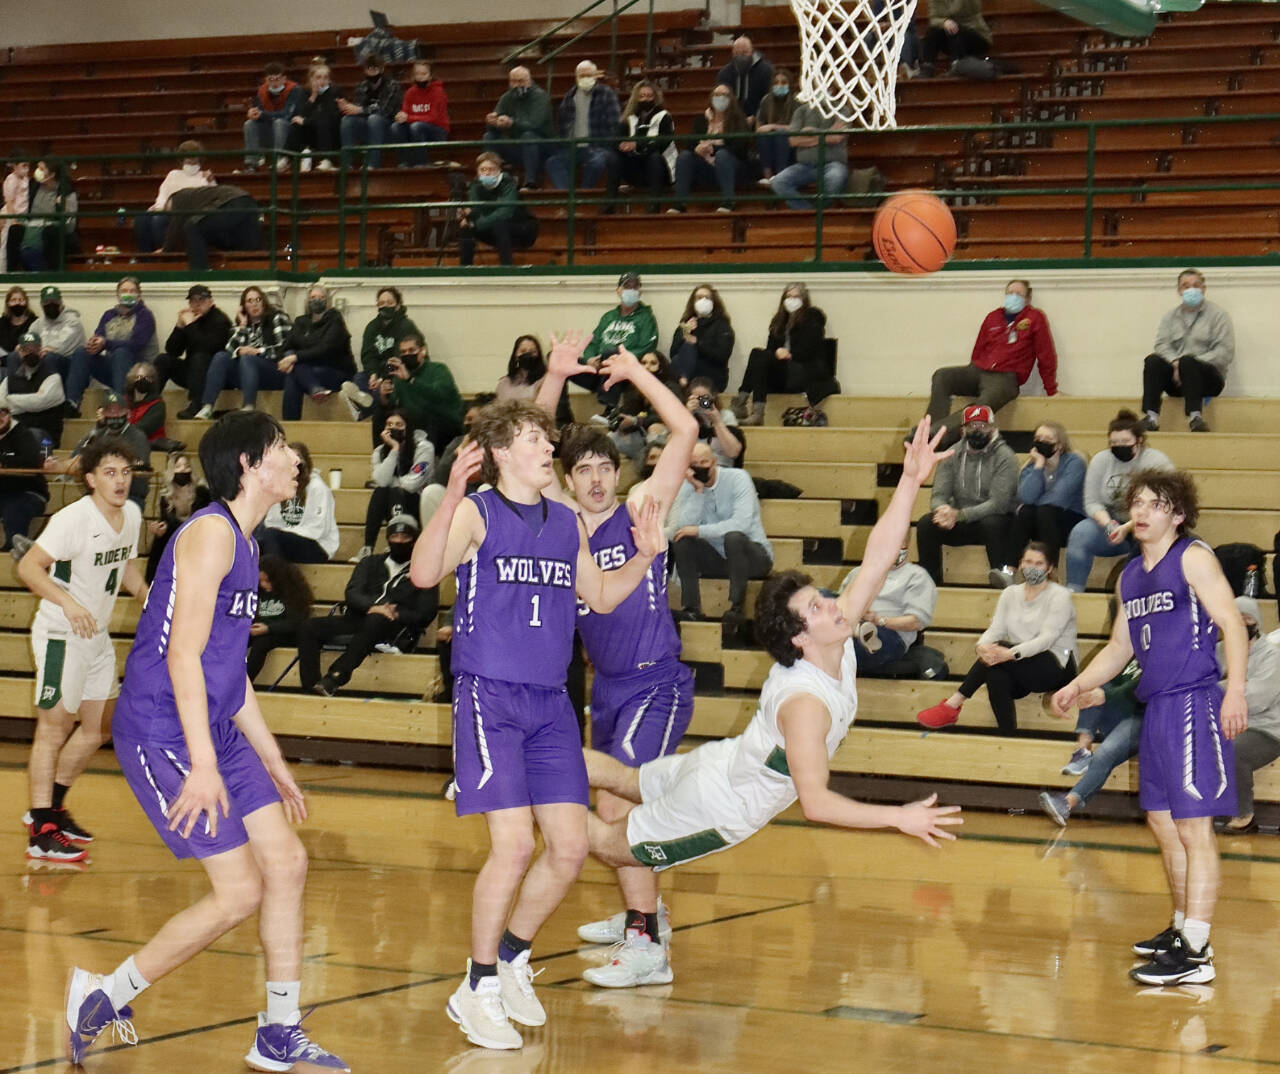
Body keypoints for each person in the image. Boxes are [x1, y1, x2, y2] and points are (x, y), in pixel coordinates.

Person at [581, 421, 960, 916]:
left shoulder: (833, 637)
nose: (833, 606)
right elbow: (817, 804)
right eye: (818, 607)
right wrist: (898, 818)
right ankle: (524, 788)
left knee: (628, 782)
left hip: (719, 764)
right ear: (800, 637)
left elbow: (878, 557)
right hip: (720, 807)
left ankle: (523, 760)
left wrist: (912, 481)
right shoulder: (804, 705)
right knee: (610, 843)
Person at [66, 411, 348, 1070]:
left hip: (210, 722)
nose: (293, 458)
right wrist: (201, 764)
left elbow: (228, 676)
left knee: (287, 863)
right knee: (239, 893)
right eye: (281, 448)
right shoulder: (212, 538)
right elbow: (184, 658)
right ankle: (104, 996)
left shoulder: (247, 545)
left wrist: (274, 763)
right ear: (250, 464)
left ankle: (278, 1029)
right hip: (162, 726)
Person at [409, 352, 665, 1051]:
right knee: (515, 844)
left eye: (548, 441)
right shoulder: (477, 512)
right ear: (499, 454)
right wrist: (451, 495)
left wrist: (644, 554)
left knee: (572, 845)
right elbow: (424, 572)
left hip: (551, 701)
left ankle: (515, 956)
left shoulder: (565, 521)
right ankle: (478, 983)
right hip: (489, 697)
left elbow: (604, 597)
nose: (548, 448)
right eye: (535, 442)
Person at [534, 343, 699, 987]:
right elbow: (530, 447)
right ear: (568, 478)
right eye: (586, 470)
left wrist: (637, 375)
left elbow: (685, 429)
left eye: (607, 466)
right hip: (606, 690)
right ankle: (646, 912)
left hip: (656, 682)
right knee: (611, 808)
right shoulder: (562, 525)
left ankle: (645, 941)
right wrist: (552, 377)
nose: (599, 477)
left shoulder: (641, 511)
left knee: (613, 810)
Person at [1052, 469, 1247, 986]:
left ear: (1177, 515)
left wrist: (1237, 692)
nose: (1141, 511)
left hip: (1194, 701)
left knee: (1193, 827)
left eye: (1155, 504)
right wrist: (1078, 685)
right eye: (1136, 502)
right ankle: (1183, 926)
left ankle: (1198, 950)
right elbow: (1120, 648)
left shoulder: (1194, 557)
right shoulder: (1130, 576)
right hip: (1156, 707)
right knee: (1163, 825)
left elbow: (1231, 623)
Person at [19, 437, 145, 863]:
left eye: (126, 472)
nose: (120, 481)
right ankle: (40, 829)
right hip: (62, 633)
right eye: (110, 473)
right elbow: (27, 566)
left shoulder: (131, 514)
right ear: (90, 479)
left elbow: (125, 563)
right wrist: (69, 603)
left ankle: (52, 807)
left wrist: (148, 596)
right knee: (53, 730)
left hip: (97, 635)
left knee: (99, 727)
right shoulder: (73, 519)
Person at [917, 541, 1078, 732]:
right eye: (1028, 562)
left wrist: (1009, 654)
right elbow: (996, 628)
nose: (1032, 568)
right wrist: (982, 647)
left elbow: (1047, 639)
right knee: (995, 674)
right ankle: (1008, 735)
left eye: (1039, 564)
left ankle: (953, 704)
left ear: (1050, 568)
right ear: (1020, 564)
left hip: (1056, 667)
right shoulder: (1010, 593)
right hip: (1020, 666)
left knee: (1000, 651)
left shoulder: (1060, 596)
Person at [300, 513, 437, 696]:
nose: (399, 540)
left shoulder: (425, 569)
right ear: (388, 538)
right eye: (394, 536)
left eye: (405, 537)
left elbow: (426, 612)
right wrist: (373, 607)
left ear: (414, 540)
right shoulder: (369, 562)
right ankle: (311, 687)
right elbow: (352, 593)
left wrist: (397, 614)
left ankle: (335, 676)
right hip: (359, 617)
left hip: (395, 626)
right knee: (309, 627)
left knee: (377, 620)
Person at [922, 279, 1058, 449]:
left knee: (982, 404)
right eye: (1010, 293)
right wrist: (974, 369)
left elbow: (1046, 355)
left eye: (1018, 294)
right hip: (979, 370)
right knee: (942, 376)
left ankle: (937, 435)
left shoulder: (1035, 318)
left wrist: (1051, 389)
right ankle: (927, 429)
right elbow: (979, 348)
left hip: (1005, 378)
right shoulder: (993, 317)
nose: (1013, 297)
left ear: (1027, 299)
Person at [667, 439, 772, 639]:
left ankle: (736, 608)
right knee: (682, 540)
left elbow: (741, 523)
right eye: (693, 464)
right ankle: (692, 608)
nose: (699, 468)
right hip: (719, 559)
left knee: (733, 538)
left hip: (753, 557)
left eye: (703, 463)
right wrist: (698, 491)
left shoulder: (738, 478)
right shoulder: (688, 485)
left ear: (714, 462)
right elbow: (681, 526)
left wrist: (699, 530)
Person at [1064, 409, 1174, 593]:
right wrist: (1109, 525)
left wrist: (1128, 527)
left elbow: (1165, 502)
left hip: (1148, 523)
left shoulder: (1156, 461)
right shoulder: (1101, 460)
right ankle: (1074, 591)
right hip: (1114, 523)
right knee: (1081, 532)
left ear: (1138, 441)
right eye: (1114, 443)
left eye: (1125, 442)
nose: (1118, 446)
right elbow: (1092, 502)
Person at [915, 404, 1018, 586]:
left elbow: (998, 503)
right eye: (972, 426)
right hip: (960, 520)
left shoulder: (1005, 456)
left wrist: (960, 514)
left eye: (982, 426)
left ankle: (1003, 579)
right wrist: (942, 510)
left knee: (992, 523)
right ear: (963, 431)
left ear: (992, 429)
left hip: (995, 519)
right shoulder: (951, 454)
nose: (977, 430)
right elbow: (938, 494)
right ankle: (930, 585)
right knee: (926, 524)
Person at [1039, 659, 1143, 826]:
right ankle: (1082, 752)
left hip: (1144, 717)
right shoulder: (1132, 653)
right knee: (1095, 685)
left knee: (1105, 753)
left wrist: (1105, 696)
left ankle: (1066, 803)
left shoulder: (1159, 653)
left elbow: (1144, 688)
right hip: (1121, 713)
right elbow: (1110, 678)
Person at [990, 420, 1085, 585]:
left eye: (1047, 439)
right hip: (1043, 521)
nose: (1042, 442)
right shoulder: (1031, 467)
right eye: (1038, 438)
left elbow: (1059, 497)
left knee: (1044, 510)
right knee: (1027, 511)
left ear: (1059, 445)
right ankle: (1009, 571)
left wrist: (1035, 503)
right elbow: (1026, 497)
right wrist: (1039, 466)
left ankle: (1051, 573)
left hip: (1071, 521)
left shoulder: (1074, 463)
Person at [1139, 268, 1233, 434]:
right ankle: (1151, 417)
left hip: (1208, 380)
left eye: (1196, 285)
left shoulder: (1218, 315)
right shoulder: (1170, 317)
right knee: (1153, 361)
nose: (1191, 289)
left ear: (1203, 289)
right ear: (1179, 290)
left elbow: (1224, 351)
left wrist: (1190, 363)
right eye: (1186, 286)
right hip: (1178, 381)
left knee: (1189, 361)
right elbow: (1162, 345)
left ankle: (1195, 418)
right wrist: (1176, 363)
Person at [1218, 595, 1280, 834]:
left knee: (1235, 749)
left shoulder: (1272, 656)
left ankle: (1244, 814)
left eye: (1248, 618)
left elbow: (1259, 700)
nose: (1243, 624)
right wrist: (1236, 686)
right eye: (1237, 618)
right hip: (1223, 722)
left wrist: (1222, 688)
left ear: (1257, 622)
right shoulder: (1219, 651)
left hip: (1266, 729)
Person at [734, 282, 835, 427]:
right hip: (782, 374)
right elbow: (770, 351)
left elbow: (808, 351)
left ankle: (744, 405)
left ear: (804, 299)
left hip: (802, 372)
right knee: (757, 354)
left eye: (796, 296)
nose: (792, 300)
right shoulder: (778, 322)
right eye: (788, 296)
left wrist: (789, 353)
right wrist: (776, 353)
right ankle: (753, 410)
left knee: (759, 355)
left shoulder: (813, 319)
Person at [196, 286, 293, 419]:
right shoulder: (242, 326)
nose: (254, 304)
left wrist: (257, 351)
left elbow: (285, 347)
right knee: (220, 357)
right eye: (249, 301)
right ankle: (207, 406)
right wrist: (242, 325)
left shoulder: (277, 317)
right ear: (243, 306)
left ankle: (249, 406)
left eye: (258, 299)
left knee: (248, 358)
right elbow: (229, 350)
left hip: (275, 371)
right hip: (248, 374)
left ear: (264, 302)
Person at [838, 546, 938, 674]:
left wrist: (878, 620)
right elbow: (839, 606)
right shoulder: (857, 572)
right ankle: (856, 629)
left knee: (850, 648)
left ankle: (858, 631)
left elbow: (916, 622)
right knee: (822, 595)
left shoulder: (917, 576)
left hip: (889, 633)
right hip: (849, 623)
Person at [353, 408, 434, 561]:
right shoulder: (379, 451)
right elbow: (381, 481)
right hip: (390, 501)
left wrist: (394, 482)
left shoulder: (424, 447)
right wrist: (394, 450)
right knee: (380, 492)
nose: (393, 428)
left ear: (408, 427)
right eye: (389, 424)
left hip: (418, 503)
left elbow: (412, 483)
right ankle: (367, 548)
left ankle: (399, 540)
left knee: (396, 490)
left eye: (399, 424)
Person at [66, 277, 157, 411]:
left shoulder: (145, 315)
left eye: (132, 291)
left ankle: (120, 403)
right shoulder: (109, 315)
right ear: (117, 295)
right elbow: (99, 336)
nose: (128, 294)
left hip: (139, 371)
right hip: (114, 368)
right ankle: (72, 403)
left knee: (122, 352)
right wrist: (94, 344)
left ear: (139, 295)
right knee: (82, 352)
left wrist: (105, 343)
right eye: (124, 291)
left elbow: (136, 345)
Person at [54, 391, 153, 511]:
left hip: (129, 496)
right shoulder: (99, 433)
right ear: (103, 414)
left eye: (119, 411)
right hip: (99, 494)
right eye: (110, 412)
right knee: (73, 513)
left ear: (127, 414)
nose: (115, 415)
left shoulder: (137, 436)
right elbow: (79, 456)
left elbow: (140, 464)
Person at [371, 331, 464, 454]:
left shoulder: (438, 369)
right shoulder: (399, 376)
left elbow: (438, 394)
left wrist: (411, 380)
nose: (407, 354)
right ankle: (382, 456)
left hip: (445, 422)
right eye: (403, 352)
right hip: (414, 422)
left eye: (411, 350)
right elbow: (394, 406)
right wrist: (384, 396)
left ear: (423, 351)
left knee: (428, 418)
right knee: (380, 415)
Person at [546, 60, 622, 206]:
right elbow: (563, 124)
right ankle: (569, 198)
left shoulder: (607, 94)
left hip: (598, 145)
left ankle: (582, 196)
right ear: (576, 77)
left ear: (595, 76)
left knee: (597, 162)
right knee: (553, 162)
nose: (585, 78)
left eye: (589, 75)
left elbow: (615, 124)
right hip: (574, 146)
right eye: (582, 75)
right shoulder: (569, 96)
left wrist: (606, 144)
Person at [669, 85, 751, 214]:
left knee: (723, 155)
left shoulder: (738, 120)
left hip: (731, 167)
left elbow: (740, 148)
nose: (720, 98)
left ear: (731, 99)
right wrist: (697, 148)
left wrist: (714, 148)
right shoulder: (701, 120)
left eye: (725, 95)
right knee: (685, 156)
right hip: (706, 167)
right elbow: (690, 143)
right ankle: (679, 203)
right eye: (717, 95)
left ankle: (729, 201)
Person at [279, 285, 355, 420]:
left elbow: (325, 349)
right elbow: (286, 346)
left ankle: (289, 423)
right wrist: (288, 357)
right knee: (293, 374)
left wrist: (296, 357)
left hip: (336, 371)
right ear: (307, 301)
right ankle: (313, 390)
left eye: (321, 297)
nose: (317, 300)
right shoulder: (301, 321)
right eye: (313, 297)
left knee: (295, 370)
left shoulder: (335, 320)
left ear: (328, 301)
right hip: (307, 370)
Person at [342, 286, 420, 417]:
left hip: (399, 371)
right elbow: (367, 355)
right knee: (359, 378)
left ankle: (364, 411)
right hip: (377, 371)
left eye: (389, 303)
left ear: (398, 305)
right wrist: (373, 374)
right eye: (382, 303)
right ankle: (365, 405)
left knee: (385, 388)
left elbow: (399, 357)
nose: (385, 306)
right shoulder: (372, 327)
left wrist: (383, 377)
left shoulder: (406, 326)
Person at [160, 285, 233, 420]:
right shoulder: (191, 320)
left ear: (210, 302)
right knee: (163, 359)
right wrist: (179, 327)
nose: (197, 304)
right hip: (192, 374)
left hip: (213, 377)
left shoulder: (220, 320)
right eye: (193, 301)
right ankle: (151, 402)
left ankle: (196, 405)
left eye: (202, 300)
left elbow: (206, 348)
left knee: (199, 358)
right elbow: (172, 350)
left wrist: (189, 325)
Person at [259, 442, 338, 563]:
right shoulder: (280, 486)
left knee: (271, 537)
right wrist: (283, 535)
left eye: (298, 462)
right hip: (285, 541)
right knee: (257, 542)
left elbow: (317, 530)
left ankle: (276, 578)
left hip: (318, 546)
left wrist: (284, 534)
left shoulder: (317, 488)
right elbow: (271, 522)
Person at [458, 152, 539, 267]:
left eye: (491, 169)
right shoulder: (476, 186)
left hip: (521, 228)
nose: (486, 173)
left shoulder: (507, 183)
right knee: (465, 226)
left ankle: (506, 268)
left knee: (499, 224)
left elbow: (505, 212)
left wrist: (477, 224)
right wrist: (469, 215)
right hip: (491, 228)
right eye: (483, 169)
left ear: (499, 170)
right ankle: (465, 268)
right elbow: (476, 208)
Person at [134, 140, 215, 252]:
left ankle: (165, 253)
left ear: (199, 160)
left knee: (158, 221)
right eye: (188, 161)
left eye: (194, 162)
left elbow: (213, 196)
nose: (191, 164)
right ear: (182, 160)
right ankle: (146, 258)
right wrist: (160, 208)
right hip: (166, 209)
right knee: (141, 219)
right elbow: (163, 193)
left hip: (184, 213)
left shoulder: (204, 177)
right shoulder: (173, 174)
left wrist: (211, 181)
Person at [162, 183, 263, 272]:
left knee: (192, 226)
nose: (170, 217)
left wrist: (164, 250)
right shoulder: (197, 197)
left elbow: (175, 227)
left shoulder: (178, 197)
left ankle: (199, 272)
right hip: (248, 200)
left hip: (231, 201)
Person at [483, 65, 553, 190]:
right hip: (516, 144)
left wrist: (512, 123)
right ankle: (492, 180)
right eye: (513, 81)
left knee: (528, 135)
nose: (516, 85)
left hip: (540, 144)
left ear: (529, 81)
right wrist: (492, 122)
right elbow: (494, 124)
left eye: (520, 81)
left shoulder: (540, 97)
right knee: (489, 136)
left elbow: (535, 124)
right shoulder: (506, 97)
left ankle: (531, 182)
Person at [769, 103, 849, 211]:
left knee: (835, 178)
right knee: (778, 182)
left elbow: (836, 138)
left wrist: (810, 132)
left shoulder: (842, 109)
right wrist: (827, 135)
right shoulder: (801, 111)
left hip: (833, 164)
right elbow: (793, 141)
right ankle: (809, 211)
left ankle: (818, 210)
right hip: (805, 165)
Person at [146, 453, 211, 583]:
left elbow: (202, 518)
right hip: (173, 535)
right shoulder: (166, 495)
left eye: (186, 466)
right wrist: (159, 528)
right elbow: (166, 520)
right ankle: (156, 583)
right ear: (172, 470)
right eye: (178, 466)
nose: (183, 470)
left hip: (196, 536)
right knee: (160, 541)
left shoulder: (201, 492)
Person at [616, 81, 676, 214]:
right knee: (613, 157)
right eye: (642, 96)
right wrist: (622, 145)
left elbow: (662, 143)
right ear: (636, 98)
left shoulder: (664, 116)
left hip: (661, 169)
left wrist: (638, 144)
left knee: (654, 157)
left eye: (649, 96)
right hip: (636, 166)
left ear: (655, 97)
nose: (646, 99)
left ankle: (654, 205)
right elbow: (617, 138)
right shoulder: (628, 117)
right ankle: (610, 204)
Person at [0, 330, 66, 446]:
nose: (30, 353)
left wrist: (10, 400)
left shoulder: (53, 377)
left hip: (45, 436)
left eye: (34, 349)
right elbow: (1, 405)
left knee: (30, 436)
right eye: (26, 350)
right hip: (15, 432)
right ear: (19, 352)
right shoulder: (8, 380)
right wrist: (29, 403)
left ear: (41, 350)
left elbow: (39, 402)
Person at [337, 54, 402, 169]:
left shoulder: (392, 85)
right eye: (369, 69)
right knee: (347, 120)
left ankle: (372, 163)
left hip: (388, 127)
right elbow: (357, 108)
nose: (372, 73)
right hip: (367, 127)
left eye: (375, 69)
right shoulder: (362, 86)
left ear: (382, 69)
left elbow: (385, 110)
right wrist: (347, 108)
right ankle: (347, 164)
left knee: (375, 118)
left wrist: (360, 109)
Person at [0, 404, 50, 554]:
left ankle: (13, 550)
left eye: (3, 412)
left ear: (10, 415)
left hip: (30, 493)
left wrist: (3, 462)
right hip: (3, 495)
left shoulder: (23, 434)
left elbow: (32, 460)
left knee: (14, 508)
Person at [670, 283, 735, 391]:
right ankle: (684, 379)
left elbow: (722, 356)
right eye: (699, 298)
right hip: (688, 373)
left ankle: (684, 379)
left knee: (689, 347)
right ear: (693, 302)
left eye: (707, 298)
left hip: (712, 374)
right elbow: (673, 353)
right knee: (679, 357)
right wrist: (685, 333)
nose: (703, 301)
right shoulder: (685, 324)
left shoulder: (722, 326)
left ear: (714, 302)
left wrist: (697, 343)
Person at [18, 160, 79, 271]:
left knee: (51, 231)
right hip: (32, 229)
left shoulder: (67, 191)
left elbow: (70, 226)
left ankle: (54, 274)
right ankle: (10, 273)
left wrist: (64, 209)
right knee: (14, 230)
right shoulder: (33, 187)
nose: (37, 171)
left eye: (42, 169)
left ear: (52, 174)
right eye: (37, 168)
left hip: (53, 231)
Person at [243, 61, 304, 170]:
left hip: (289, 132)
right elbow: (259, 113)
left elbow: (287, 114)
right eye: (271, 80)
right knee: (249, 124)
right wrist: (253, 113)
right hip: (269, 131)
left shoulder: (295, 90)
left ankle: (280, 160)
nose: (275, 83)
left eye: (278, 79)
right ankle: (252, 163)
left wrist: (262, 115)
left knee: (279, 122)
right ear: (266, 80)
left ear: (284, 79)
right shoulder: (261, 91)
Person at [30, 284, 87, 398]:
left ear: (61, 303)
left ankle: (64, 401)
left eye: (54, 302)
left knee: (50, 357)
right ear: (41, 305)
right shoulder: (37, 324)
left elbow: (62, 346)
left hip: (70, 366)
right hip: (45, 362)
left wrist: (44, 350)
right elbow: (29, 342)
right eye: (47, 303)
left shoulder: (73, 321)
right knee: (18, 357)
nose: (51, 305)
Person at [392, 60, 451, 166]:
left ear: (430, 76)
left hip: (438, 130)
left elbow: (433, 117)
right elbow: (405, 112)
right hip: (415, 128)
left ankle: (421, 163)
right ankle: (404, 162)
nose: (420, 77)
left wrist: (408, 118)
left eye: (424, 74)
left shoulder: (438, 92)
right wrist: (400, 116)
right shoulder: (410, 92)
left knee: (416, 126)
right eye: (417, 74)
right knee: (396, 127)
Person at [287, 64, 342, 171]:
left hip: (330, 134)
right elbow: (298, 114)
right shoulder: (305, 92)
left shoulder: (334, 91)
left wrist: (306, 121)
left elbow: (329, 116)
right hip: (311, 133)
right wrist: (313, 97)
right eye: (318, 77)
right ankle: (286, 159)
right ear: (311, 79)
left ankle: (326, 159)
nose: (322, 81)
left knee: (323, 122)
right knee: (295, 124)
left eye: (325, 78)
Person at [921, 0, 993, 77]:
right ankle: (928, 67)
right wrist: (944, 22)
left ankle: (956, 66)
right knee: (933, 31)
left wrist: (948, 21)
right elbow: (933, 19)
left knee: (954, 29)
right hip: (952, 39)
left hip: (976, 34)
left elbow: (970, 9)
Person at [685, 376, 744, 467]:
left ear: (714, 397)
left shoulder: (726, 416)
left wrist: (717, 422)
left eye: (705, 398)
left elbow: (733, 452)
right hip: (695, 468)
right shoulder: (687, 418)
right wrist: (686, 415)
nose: (702, 402)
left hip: (723, 468)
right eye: (697, 399)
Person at [714, 35, 774, 122]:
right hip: (731, 122)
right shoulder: (724, 73)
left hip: (760, 120)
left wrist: (756, 117)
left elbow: (770, 99)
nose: (740, 56)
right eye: (737, 53)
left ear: (752, 51)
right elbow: (721, 99)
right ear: (732, 53)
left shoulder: (766, 70)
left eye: (744, 52)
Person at [754, 69, 798, 183]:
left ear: (790, 84)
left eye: (783, 83)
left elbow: (798, 128)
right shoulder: (766, 101)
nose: (779, 85)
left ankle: (781, 175)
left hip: (792, 146)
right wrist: (768, 129)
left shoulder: (797, 102)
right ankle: (767, 176)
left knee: (780, 134)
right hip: (769, 144)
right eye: (776, 83)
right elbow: (758, 128)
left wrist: (773, 126)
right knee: (764, 136)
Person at [125, 361, 167, 446]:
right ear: (132, 379)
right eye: (139, 377)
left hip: (147, 446)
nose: (143, 380)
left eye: (147, 378)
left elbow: (143, 429)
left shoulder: (158, 405)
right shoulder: (124, 401)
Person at [2, 155, 30, 272]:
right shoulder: (11, 179)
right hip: (10, 216)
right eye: (23, 166)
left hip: (22, 217)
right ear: (14, 166)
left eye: (28, 166)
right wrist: (13, 221)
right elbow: (9, 202)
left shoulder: (26, 179)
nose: (27, 169)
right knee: (5, 247)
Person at [496, 336, 545, 403]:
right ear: (515, 356)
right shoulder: (503, 383)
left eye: (532, 351)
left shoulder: (545, 381)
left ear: (539, 355)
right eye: (523, 351)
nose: (527, 354)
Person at [1, 284, 37, 356]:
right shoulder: (2, 323)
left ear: (26, 302)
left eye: (21, 300)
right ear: (8, 303)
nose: (17, 303)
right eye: (13, 300)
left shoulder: (34, 322)